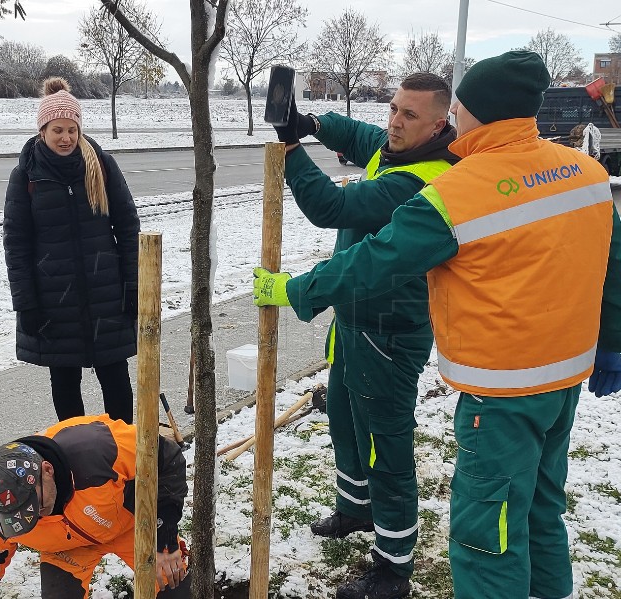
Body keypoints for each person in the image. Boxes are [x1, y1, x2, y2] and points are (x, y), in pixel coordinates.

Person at [254, 51, 621, 599]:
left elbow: (373, 260)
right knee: (540, 509)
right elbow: (613, 266)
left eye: (459, 106)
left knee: (485, 537)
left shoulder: (458, 190)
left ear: (469, 113)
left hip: (501, 389)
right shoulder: (584, 172)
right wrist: (612, 343)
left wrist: (296, 289)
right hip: (564, 379)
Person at [267, 73, 458, 598]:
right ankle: (355, 508)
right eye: (393, 108)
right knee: (347, 420)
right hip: (356, 319)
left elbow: (332, 209)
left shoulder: (423, 178)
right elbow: (360, 136)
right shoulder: (399, 148)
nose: (394, 121)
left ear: (439, 125)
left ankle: (394, 561)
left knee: (386, 439)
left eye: (409, 115)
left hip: (390, 330)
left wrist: (291, 148)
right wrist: (313, 124)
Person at [4, 77, 140, 424]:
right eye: (57, 130)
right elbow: (16, 245)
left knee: (116, 380)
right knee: (64, 383)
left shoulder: (102, 166)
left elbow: (127, 227)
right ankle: (75, 459)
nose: (65, 138)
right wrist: (27, 304)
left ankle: (123, 458)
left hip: (106, 294)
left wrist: (134, 287)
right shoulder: (26, 176)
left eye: (71, 130)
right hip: (54, 301)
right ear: (42, 131)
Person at [0, 415, 190, 598]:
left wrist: (163, 538)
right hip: (65, 548)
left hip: (132, 526)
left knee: (178, 587)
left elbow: (168, 459)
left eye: (34, 506)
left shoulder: (100, 449)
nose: (33, 516)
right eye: (21, 517)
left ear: (47, 470)